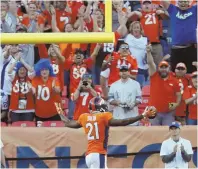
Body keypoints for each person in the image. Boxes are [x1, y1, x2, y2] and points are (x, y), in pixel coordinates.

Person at [55, 97, 156, 169]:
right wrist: (142, 115)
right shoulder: (103, 116)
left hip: (89, 155)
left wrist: (60, 113)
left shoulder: (84, 117)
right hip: (98, 154)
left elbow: (68, 123)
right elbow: (123, 122)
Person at [146, 44, 181, 126]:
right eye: (162, 67)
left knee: (168, 133)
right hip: (153, 112)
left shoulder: (174, 80)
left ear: (169, 68)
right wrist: (148, 52)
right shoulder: (154, 76)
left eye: (165, 67)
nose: (164, 69)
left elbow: (178, 95)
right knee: (154, 135)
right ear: (158, 68)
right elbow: (150, 63)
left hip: (168, 113)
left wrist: (176, 104)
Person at [161, 0, 197, 73]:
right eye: (181, 2)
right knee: (175, 74)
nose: (183, 3)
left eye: (185, 1)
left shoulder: (195, 9)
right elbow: (163, 1)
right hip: (176, 49)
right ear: (177, 3)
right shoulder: (173, 9)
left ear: (189, 3)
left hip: (191, 48)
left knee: (192, 73)